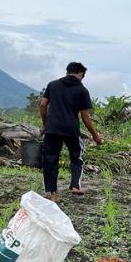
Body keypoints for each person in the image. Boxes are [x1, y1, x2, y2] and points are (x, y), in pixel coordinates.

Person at [39, 62, 103, 201]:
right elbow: (85, 116)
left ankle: (51, 192)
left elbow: (43, 104)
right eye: (83, 76)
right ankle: (75, 186)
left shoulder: (52, 85)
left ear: (67, 71)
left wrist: (45, 124)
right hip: (71, 129)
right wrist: (95, 135)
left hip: (52, 129)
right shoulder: (82, 90)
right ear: (80, 74)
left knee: (50, 159)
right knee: (76, 157)